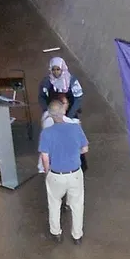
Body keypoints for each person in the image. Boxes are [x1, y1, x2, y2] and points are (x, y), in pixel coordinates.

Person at [37, 93, 88, 244]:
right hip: (75, 174)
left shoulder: (47, 133)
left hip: (56, 174)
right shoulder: (75, 128)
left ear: (50, 116)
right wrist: (73, 152)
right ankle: (77, 235)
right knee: (77, 205)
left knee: (54, 204)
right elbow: (85, 149)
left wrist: (48, 172)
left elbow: (45, 156)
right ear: (64, 111)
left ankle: (56, 233)